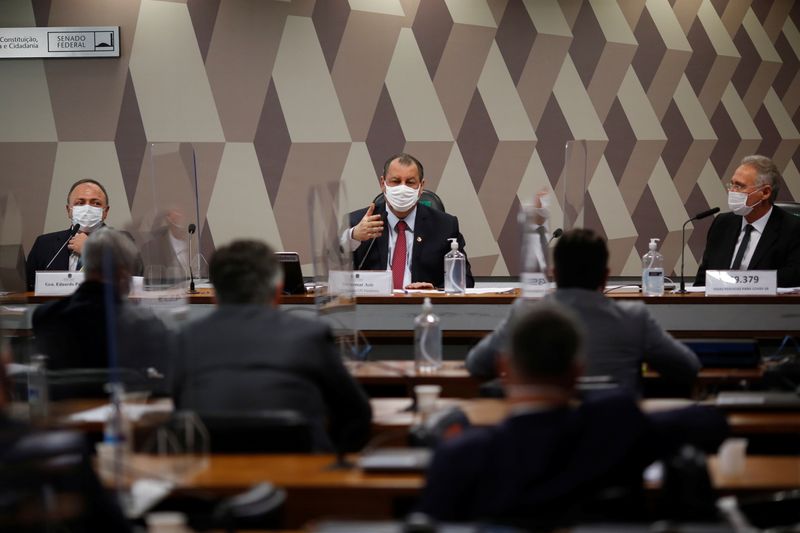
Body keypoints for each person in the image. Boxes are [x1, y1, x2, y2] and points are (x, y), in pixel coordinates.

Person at [420, 303, 728, 526]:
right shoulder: (613, 432)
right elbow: (711, 423)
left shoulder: (461, 454)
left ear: (504, 369)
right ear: (576, 371)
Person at [171, 239, 372, 453]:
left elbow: (179, 405)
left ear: (215, 297)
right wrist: (327, 462)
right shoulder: (309, 336)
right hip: (298, 476)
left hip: (207, 477)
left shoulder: (187, 338)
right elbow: (357, 414)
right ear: (278, 292)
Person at [466, 228, 700, 395]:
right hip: (615, 446)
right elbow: (688, 367)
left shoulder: (527, 312)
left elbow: (477, 364)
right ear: (606, 277)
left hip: (548, 445)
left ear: (554, 274)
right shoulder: (634, 318)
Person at [31, 228, 173, 395]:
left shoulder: (46, 317)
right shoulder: (146, 325)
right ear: (123, 273)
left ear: (86, 264)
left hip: (64, 415)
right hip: (123, 415)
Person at [343, 153, 474, 290]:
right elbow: (334, 273)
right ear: (383, 184)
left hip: (423, 306)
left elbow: (465, 281)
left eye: (410, 182)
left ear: (421, 186)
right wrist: (352, 236)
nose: (402, 188)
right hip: (373, 307)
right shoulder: (356, 222)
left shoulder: (445, 226)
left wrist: (435, 290)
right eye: (395, 181)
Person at [695, 155, 800, 287]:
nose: (732, 191)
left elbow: (793, 278)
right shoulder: (722, 224)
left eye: (739, 186)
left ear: (765, 192)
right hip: (718, 305)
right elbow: (703, 278)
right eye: (731, 184)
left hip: (765, 306)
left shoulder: (793, 229)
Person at [25, 179, 141, 291]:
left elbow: (134, 279)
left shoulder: (123, 241)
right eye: (80, 203)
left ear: (105, 212)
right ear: (68, 210)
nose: (87, 209)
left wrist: (90, 251)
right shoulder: (44, 244)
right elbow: (29, 286)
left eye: (96, 203)